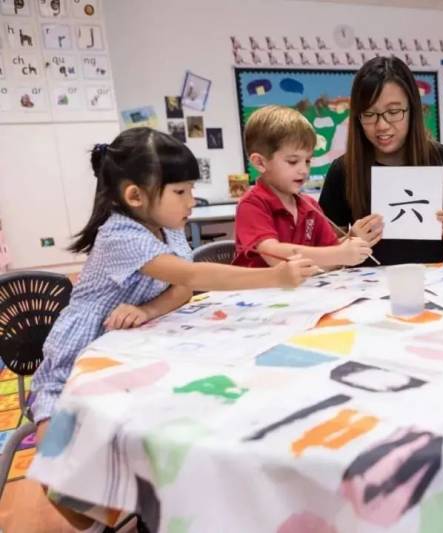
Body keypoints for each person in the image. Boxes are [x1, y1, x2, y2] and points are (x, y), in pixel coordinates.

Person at [31, 128, 315, 531]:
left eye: (191, 190)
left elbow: (182, 289)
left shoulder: (170, 228)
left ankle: (157, 501)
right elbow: (193, 275)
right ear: (135, 196)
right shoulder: (119, 234)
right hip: (74, 357)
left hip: (132, 348)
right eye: (181, 192)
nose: (191, 200)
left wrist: (146, 309)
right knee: (58, 466)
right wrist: (275, 278)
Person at [319, 57, 443, 265]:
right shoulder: (343, 170)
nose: (382, 125)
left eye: (393, 112)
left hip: (436, 279)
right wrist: (350, 242)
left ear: (412, 109)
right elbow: (325, 256)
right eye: (369, 114)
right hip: (368, 282)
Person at [233, 106, 371, 269]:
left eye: (307, 161)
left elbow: (329, 256)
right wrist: (340, 253)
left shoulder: (310, 206)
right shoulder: (252, 204)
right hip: (262, 286)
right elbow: (274, 255)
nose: (304, 170)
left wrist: (352, 239)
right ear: (260, 163)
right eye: (293, 161)